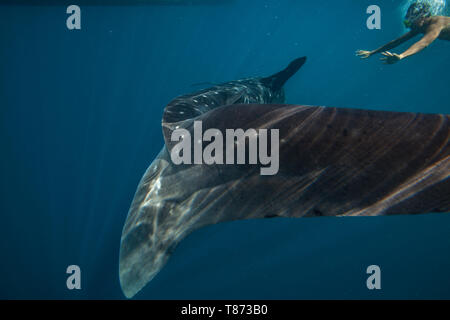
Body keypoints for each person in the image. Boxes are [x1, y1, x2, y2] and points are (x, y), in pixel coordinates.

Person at [356, 1, 450, 64]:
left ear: (422, 18)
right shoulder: (421, 26)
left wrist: (401, 56)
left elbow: (423, 43)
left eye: (409, 22)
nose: (409, 26)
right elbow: (398, 41)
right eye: (407, 22)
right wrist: (372, 52)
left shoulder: (436, 24)